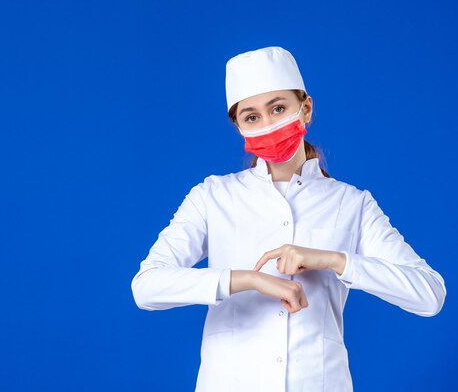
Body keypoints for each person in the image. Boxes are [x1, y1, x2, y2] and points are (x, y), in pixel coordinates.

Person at [130, 46, 446, 392]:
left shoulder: (352, 204)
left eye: (278, 108)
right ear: (239, 127)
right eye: (252, 117)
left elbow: (429, 294)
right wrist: (247, 279)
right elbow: (147, 287)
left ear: (305, 109)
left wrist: (334, 260)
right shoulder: (212, 196)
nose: (268, 124)